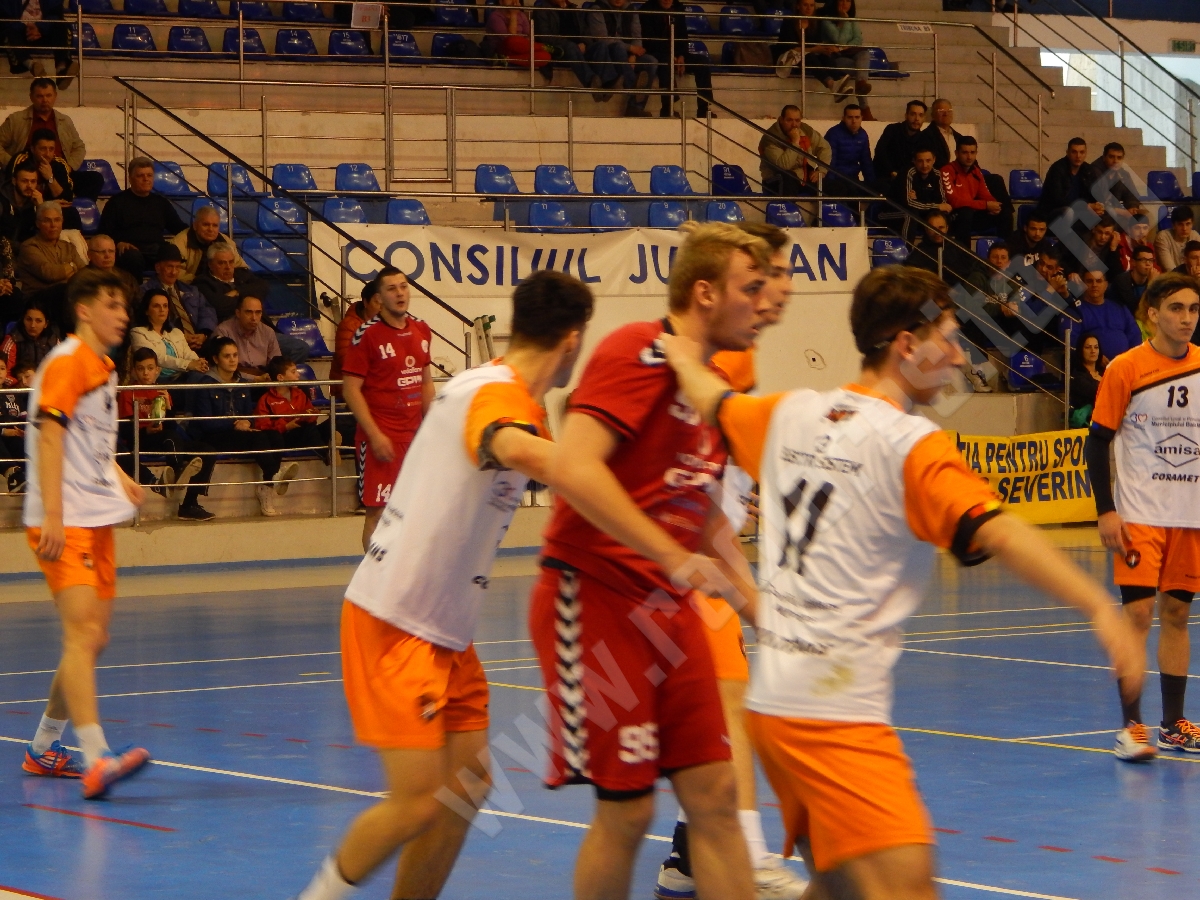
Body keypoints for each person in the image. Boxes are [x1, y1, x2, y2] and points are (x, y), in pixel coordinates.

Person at [658, 263, 1142, 900]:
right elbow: (999, 531)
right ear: (906, 344)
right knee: (906, 886)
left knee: (840, 887)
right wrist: (1099, 608)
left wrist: (677, 349)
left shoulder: (789, 413)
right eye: (949, 338)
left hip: (776, 705)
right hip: (834, 716)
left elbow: (711, 398)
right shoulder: (911, 444)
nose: (960, 357)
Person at [288, 270, 595, 900]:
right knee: (417, 802)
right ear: (573, 339)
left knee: (467, 787)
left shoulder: (510, 397)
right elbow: (514, 447)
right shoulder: (497, 397)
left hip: (447, 630)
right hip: (397, 619)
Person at [530, 223, 775, 900]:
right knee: (628, 810)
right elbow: (575, 466)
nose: (764, 303)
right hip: (596, 598)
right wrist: (668, 553)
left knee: (717, 797)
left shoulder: (711, 387)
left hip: (671, 612)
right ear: (705, 293)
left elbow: (709, 521)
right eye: (751, 288)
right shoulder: (634, 349)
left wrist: (764, 612)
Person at [654, 222, 809, 900]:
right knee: (730, 704)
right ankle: (745, 857)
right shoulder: (686, 356)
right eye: (771, 275)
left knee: (713, 719)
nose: (783, 288)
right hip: (678, 562)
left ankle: (690, 858)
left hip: (708, 550)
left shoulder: (737, 355)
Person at [20, 268, 152, 799]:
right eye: (112, 304)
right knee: (80, 636)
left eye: (125, 306)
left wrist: (119, 476)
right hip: (64, 519)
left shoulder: (103, 367)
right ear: (84, 310)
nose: (123, 315)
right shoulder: (68, 361)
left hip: (95, 517)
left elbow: (89, 440)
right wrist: (52, 515)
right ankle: (97, 757)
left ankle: (43, 748)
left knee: (93, 639)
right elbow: (50, 436)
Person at [1085, 272, 1200, 761]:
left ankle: (1173, 725)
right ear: (1152, 314)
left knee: (1178, 614)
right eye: (1176, 308)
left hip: (1190, 515)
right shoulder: (1126, 368)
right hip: (1139, 513)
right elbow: (1097, 441)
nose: (1187, 318)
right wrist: (1106, 510)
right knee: (1137, 615)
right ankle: (1131, 727)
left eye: (1193, 309)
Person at [340, 267, 434, 549]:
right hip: (380, 439)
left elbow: (425, 382)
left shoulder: (421, 329)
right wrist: (375, 435)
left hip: (414, 438)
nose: (400, 293)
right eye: (392, 289)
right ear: (379, 297)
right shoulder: (366, 335)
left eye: (403, 286)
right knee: (378, 513)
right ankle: (373, 573)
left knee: (415, 512)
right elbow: (350, 389)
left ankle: (404, 570)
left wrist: (432, 428)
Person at [190, 336, 296, 517]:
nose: (232, 360)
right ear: (216, 359)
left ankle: (266, 488)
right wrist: (235, 424)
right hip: (214, 435)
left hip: (239, 432)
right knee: (258, 437)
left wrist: (248, 422)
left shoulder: (241, 383)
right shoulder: (205, 384)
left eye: (235, 355)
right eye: (227, 356)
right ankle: (274, 476)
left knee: (275, 436)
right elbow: (205, 422)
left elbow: (249, 414)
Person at [118, 347, 214, 521]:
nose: (146, 373)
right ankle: (178, 471)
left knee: (207, 450)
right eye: (140, 368)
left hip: (165, 438)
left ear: (157, 370)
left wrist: (169, 407)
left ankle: (189, 504)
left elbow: (170, 425)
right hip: (141, 439)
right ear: (134, 371)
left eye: (150, 368)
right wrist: (145, 429)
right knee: (170, 437)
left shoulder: (162, 391)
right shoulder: (128, 392)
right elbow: (124, 430)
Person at [0, 80, 100, 200]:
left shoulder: (65, 121)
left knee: (95, 179)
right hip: (28, 171)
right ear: (31, 97)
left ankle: (76, 208)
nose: (45, 100)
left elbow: (79, 147)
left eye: (48, 95)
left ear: (55, 96)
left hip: (58, 171)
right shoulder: (16, 120)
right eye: (40, 96)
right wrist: (12, 163)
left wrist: (69, 166)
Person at [98, 156, 187, 275]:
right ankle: (134, 287)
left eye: (149, 175)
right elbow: (104, 232)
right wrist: (118, 243)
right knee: (132, 257)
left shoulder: (161, 202)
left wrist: (199, 230)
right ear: (130, 179)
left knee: (172, 253)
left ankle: (171, 286)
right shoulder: (116, 202)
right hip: (130, 250)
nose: (146, 179)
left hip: (156, 250)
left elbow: (178, 227)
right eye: (140, 176)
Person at [16, 201, 84, 331]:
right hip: (37, 300)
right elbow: (50, 274)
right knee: (64, 290)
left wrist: (65, 270)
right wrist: (72, 266)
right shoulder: (29, 247)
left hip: (66, 296)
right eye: (47, 221)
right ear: (38, 224)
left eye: (57, 220)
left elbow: (83, 272)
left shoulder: (68, 246)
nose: (53, 225)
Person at [641, 0, 713, 119]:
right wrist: (671, 55)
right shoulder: (647, 9)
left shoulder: (679, 8)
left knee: (702, 62)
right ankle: (667, 108)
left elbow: (683, 35)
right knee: (666, 62)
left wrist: (681, 55)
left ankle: (704, 109)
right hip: (656, 52)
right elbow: (649, 41)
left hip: (676, 53)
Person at [585, 0, 657, 116]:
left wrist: (633, 55)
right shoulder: (597, 9)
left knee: (651, 62)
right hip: (607, 54)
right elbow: (602, 39)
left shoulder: (631, 10)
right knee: (618, 48)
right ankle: (633, 86)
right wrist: (630, 48)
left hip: (629, 53)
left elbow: (637, 36)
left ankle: (635, 107)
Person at [142, 243, 217, 352]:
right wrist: (179, 337)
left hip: (198, 343)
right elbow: (148, 321)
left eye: (177, 267)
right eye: (169, 267)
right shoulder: (146, 292)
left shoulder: (191, 290)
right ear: (158, 268)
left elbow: (207, 312)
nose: (174, 272)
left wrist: (204, 333)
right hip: (169, 345)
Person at [214, 294, 306, 381]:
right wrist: (253, 379)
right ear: (238, 313)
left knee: (303, 383)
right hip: (235, 380)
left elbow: (277, 365)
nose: (254, 318)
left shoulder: (268, 332)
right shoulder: (223, 331)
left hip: (264, 378)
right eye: (249, 312)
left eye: (258, 312)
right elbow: (221, 368)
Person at [254, 355, 331, 456]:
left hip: (305, 430)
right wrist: (285, 426)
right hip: (285, 436)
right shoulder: (266, 400)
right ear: (280, 377)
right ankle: (328, 455)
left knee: (332, 423)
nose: (298, 375)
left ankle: (335, 447)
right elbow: (262, 427)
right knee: (309, 431)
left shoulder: (300, 393)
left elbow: (311, 413)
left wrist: (310, 415)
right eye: (293, 372)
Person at [1062, 269, 1142, 364]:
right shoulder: (1074, 310)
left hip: (1125, 365)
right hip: (1091, 367)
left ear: (1106, 285)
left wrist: (1131, 358)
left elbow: (1134, 335)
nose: (1094, 285)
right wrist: (1096, 357)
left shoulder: (1120, 308)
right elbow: (1071, 342)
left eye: (1099, 281)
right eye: (1089, 281)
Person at [129, 289, 209, 383]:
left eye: (165, 306)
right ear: (146, 310)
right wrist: (188, 364)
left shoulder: (176, 332)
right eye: (156, 306)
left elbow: (187, 353)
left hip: (181, 376)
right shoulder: (137, 333)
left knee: (202, 376)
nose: (162, 310)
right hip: (157, 380)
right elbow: (157, 358)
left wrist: (198, 362)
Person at [6, 128, 79, 229]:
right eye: (43, 149)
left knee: (71, 213)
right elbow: (12, 192)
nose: (47, 154)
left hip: (48, 206)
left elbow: (66, 199)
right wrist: (46, 204)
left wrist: (50, 178)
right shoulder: (21, 161)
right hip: (25, 207)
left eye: (51, 149)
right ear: (32, 149)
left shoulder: (59, 163)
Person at [759, 104, 830, 204]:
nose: (794, 125)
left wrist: (821, 170)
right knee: (789, 177)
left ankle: (826, 214)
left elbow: (824, 148)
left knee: (838, 186)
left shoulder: (805, 130)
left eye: (797, 120)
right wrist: (795, 142)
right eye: (789, 120)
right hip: (776, 179)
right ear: (781, 120)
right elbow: (783, 166)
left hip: (803, 177)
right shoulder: (770, 138)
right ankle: (789, 213)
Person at [941, 136, 1004, 245]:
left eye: (972, 152)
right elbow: (954, 202)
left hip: (971, 214)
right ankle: (964, 254)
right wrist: (985, 205)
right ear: (956, 153)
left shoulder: (976, 171)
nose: (969, 157)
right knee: (966, 213)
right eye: (965, 153)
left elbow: (985, 195)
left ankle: (1003, 251)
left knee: (1004, 214)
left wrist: (994, 206)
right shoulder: (947, 171)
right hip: (953, 216)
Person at [817, 0, 873, 119]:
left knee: (864, 54)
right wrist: (845, 20)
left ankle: (861, 84)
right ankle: (864, 108)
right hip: (835, 58)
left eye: (848, 0)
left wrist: (842, 47)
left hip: (850, 54)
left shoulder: (852, 19)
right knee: (860, 70)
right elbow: (840, 39)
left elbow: (858, 40)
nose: (845, 3)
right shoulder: (827, 20)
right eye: (841, 0)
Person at [168, 204, 248, 284]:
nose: (210, 229)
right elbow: (175, 272)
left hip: (222, 285)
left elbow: (241, 268)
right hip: (192, 286)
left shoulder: (226, 242)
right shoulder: (179, 243)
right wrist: (204, 283)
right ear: (195, 225)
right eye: (206, 225)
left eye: (215, 225)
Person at [330, 280, 381, 400]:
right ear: (366, 302)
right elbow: (346, 361)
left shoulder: (386, 325)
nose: (381, 308)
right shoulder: (348, 326)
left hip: (375, 383)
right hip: (349, 386)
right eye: (377, 302)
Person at [194, 244, 270, 324]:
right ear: (210, 265)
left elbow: (264, 287)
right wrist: (250, 296)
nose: (228, 267)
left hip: (262, 325)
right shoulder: (203, 283)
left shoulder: (242, 274)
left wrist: (237, 292)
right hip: (229, 328)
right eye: (221, 263)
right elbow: (220, 307)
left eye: (231, 262)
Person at [531, 0, 598, 89]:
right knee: (571, 47)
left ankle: (606, 84)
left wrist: (585, 43)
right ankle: (591, 82)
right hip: (558, 49)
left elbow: (585, 31)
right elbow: (544, 37)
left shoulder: (573, 8)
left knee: (600, 46)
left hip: (579, 47)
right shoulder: (542, 10)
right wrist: (571, 44)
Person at [1038, 138, 1103, 226]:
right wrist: (1085, 206)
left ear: (1086, 154)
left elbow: (1094, 194)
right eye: (1074, 152)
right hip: (1054, 212)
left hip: (1080, 211)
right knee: (1068, 212)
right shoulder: (1057, 169)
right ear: (1067, 153)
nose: (1078, 156)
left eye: (1082, 152)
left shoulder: (1088, 170)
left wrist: (1098, 206)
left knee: (1103, 214)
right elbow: (1057, 200)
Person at [483, 0, 552, 71]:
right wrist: (513, 15)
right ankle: (544, 47)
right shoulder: (495, 16)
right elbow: (509, 39)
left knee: (546, 56)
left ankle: (505, 59)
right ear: (501, 2)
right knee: (513, 40)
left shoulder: (522, 15)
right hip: (503, 48)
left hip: (522, 49)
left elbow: (528, 37)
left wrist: (525, 45)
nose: (514, 1)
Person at [873, 100, 927, 188]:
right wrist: (891, 171)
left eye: (920, 115)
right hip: (884, 178)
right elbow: (880, 152)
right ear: (906, 115)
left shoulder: (923, 139)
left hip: (907, 181)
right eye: (913, 114)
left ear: (924, 118)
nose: (917, 119)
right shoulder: (892, 130)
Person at [1, 298, 57, 382]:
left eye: (38, 321)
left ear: (46, 324)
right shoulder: (13, 340)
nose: (33, 325)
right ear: (23, 320)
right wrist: (23, 382)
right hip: (18, 387)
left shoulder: (54, 341)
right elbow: (3, 375)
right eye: (29, 319)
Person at [899, 147, 950, 239]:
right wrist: (936, 206)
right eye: (920, 161)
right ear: (914, 161)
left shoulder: (937, 174)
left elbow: (942, 202)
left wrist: (919, 199)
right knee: (911, 213)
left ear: (934, 160)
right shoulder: (909, 173)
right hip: (894, 211)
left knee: (940, 215)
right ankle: (907, 247)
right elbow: (909, 203)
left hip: (921, 212)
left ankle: (940, 247)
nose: (924, 165)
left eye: (928, 160)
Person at [824, 104, 873, 194]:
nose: (854, 121)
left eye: (857, 117)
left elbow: (866, 162)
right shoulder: (833, 134)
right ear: (843, 118)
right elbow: (830, 162)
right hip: (837, 179)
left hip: (853, 179)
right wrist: (830, 185)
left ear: (862, 118)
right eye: (850, 117)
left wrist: (872, 185)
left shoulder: (863, 135)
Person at [1090, 141, 1141, 222]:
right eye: (1111, 157)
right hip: (1095, 211)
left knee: (1140, 218)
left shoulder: (1123, 174)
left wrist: (1132, 208)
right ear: (1104, 157)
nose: (1115, 161)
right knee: (1112, 213)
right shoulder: (1094, 172)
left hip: (1114, 210)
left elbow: (1132, 196)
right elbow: (1102, 202)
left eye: (1119, 158)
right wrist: (1123, 212)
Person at [1062, 214, 1123, 281]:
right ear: (1094, 230)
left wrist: (1113, 249)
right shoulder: (1079, 241)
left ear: (1112, 234)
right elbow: (1062, 260)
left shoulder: (1111, 249)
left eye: (1107, 234)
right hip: (1076, 281)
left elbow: (1116, 275)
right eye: (1100, 232)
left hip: (1097, 284)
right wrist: (1070, 272)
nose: (1103, 237)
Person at [0, 357, 30, 492]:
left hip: (14, 437)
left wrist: (24, 431)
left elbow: (23, 417)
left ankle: (25, 476)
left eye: (2, 368)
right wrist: (3, 431)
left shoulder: (13, 394)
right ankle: (12, 473)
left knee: (20, 439)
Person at [84, 234, 140, 303]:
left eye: (111, 251)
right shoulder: (82, 280)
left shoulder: (127, 278)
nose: (107, 256)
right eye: (102, 251)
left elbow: (137, 302)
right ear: (89, 255)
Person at [1, 156, 43, 245]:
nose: (29, 186)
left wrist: (41, 208)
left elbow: (44, 234)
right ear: (14, 181)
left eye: (33, 181)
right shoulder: (2, 201)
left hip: (27, 249)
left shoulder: (36, 202)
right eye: (24, 181)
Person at [913, 98, 962, 169]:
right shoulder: (925, 137)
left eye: (949, 111)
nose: (946, 114)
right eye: (941, 111)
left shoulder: (959, 137)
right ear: (933, 115)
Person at [1069, 333, 1104, 427]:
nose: (1093, 351)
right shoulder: (1078, 377)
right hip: (1088, 426)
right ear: (1081, 351)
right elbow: (1101, 394)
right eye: (1088, 347)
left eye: (1096, 347)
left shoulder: (1105, 372)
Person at [1111, 245, 1157, 317]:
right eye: (1143, 260)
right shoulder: (1122, 281)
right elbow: (1134, 309)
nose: (1148, 264)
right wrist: (1150, 285)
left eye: (1150, 261)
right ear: (1133, 262)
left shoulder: (1153, 280)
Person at [1157, 206, 1200, 273]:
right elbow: (1170, 269)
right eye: (1180, 224)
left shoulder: (1195, 236)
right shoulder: (1163, 237)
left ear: (1192, 224)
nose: (1184, 229)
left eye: (1188, 224)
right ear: (1173, 225)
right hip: (1170, 277)